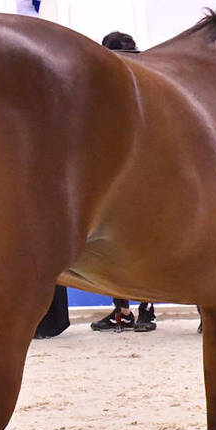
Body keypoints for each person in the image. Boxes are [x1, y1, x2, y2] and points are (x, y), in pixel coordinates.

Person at [85, 32, 158, 332]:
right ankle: (130, 309)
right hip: (132, 171)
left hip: (128, 172)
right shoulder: (146, 80)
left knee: (121, 243)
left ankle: (140, 308)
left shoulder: (110, 84)